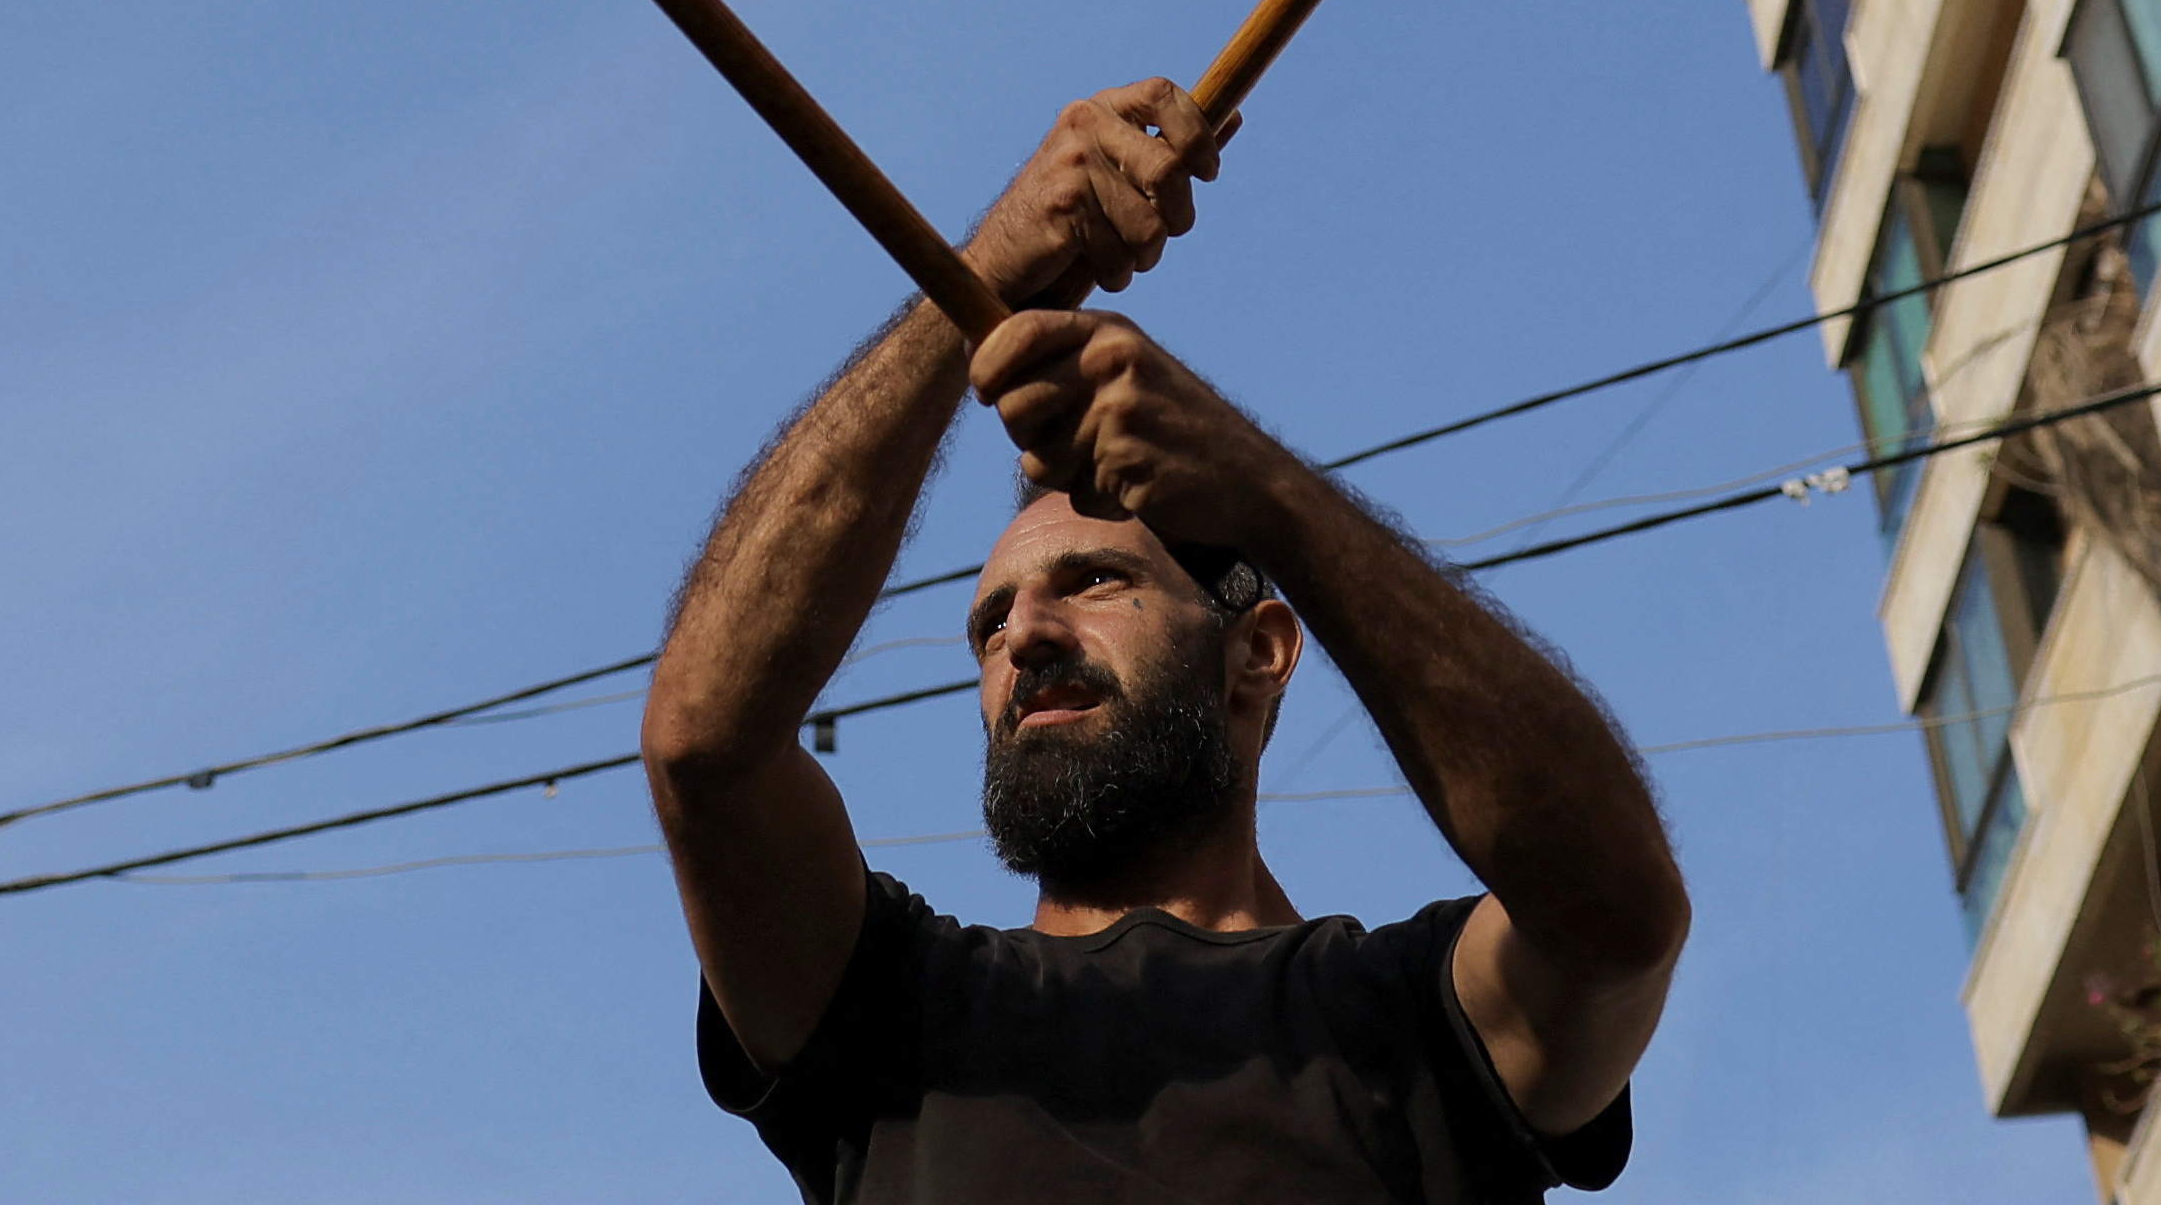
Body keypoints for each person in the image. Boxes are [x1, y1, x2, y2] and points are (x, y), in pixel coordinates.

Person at [646, 81, 1690, 1200]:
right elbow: (705, 743)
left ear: (1262, 650)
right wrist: (982, 279)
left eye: (1092, 580)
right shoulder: (892, 1012)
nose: (1026, 636)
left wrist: (1269, 493)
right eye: (988, 622)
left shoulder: (1416, 1025)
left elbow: (1617, 915)